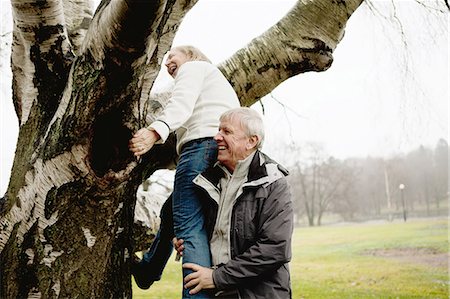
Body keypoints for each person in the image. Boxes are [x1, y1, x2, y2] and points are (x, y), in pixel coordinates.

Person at [129, 45, 240, 298]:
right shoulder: (216, 86)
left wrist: (154, 131)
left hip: (201, 147)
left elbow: (181, 104)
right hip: (221, 153)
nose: (167, 62)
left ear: (191, 56)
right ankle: (149, 269)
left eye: (173, 56)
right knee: (172, 211)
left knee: (189, 228)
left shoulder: (193, 68)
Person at [177, 107, 294, 298]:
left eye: (227, 131)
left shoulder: (273, 183)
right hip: (216, 293)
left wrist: (217, 277)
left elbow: (275, 248)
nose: (216, 137)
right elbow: (213, 232)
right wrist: (188, 240)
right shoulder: (208, 180)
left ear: (251, 141)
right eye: (218, 130)